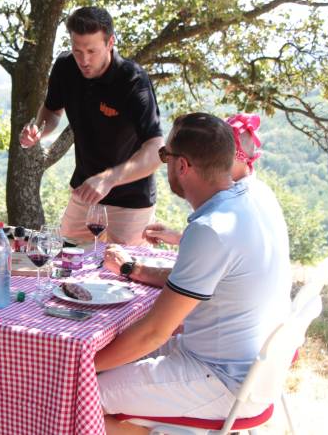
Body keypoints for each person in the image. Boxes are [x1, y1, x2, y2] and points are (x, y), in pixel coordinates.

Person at [93, 113, 291, 434]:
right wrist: (133, 269)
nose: (164, 164)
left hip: (223, 380)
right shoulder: (256, 197)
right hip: (251, 369)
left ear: (182, 166)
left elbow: (154, 333)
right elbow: (191, 281)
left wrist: (79, 366)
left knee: (78, 392)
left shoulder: (210, 229)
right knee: (104, 369)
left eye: (164, 156)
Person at [19, 6, 164, 245]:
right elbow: (53, 112)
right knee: (63, 262)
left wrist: (108, 179)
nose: (84, 60)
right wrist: (39, 130)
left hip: (130, 202)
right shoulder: (65, 66)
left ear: (110, 43)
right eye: (77, 51)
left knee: (123, 275)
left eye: (91, 51)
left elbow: (157, 151)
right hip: (84, 193)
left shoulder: (133, 80)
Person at [135, 112, 285, 247]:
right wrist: (181, 237)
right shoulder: (259, 191)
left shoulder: (228, 207)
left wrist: (129, 268)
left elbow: (215, 241)